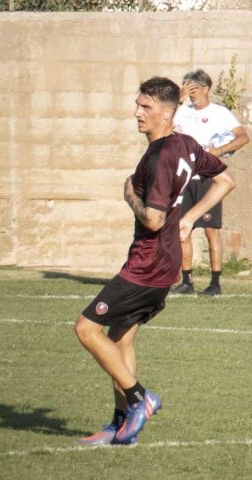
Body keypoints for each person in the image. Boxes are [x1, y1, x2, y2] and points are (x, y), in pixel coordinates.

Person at [75, 77, 234, 447]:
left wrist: (129, 194)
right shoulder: (187, 145)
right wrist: (191, 218)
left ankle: (138, 398)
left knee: (86, 329)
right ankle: (120, 426)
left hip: (146, 265)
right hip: (164, 263)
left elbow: (153, 219)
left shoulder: (160, 156)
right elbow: (226, 180)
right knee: (120, 340)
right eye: (137, 105)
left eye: (145, 107)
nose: (137, 113)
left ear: (167, 112)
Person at [171, 69, 249, 296]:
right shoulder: (181, 111)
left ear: (206, 88)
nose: (191, 93)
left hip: (209, 179)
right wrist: (180, 98)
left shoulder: (219, 112)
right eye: (187, 88)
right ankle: (187, 281)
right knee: (182, 230)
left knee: (211, 232)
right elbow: (166, 124)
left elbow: (243, 137)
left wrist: (220, 150)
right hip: (185, 179)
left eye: (194, 88)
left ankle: (215, 283)